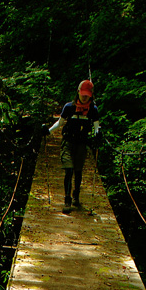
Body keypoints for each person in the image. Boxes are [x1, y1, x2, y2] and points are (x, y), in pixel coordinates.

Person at [43, 79, 101, 211]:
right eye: (83, 94)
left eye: (87, 95)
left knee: (78, 171)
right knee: (68, 170)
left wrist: (98, 134)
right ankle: (67, 200)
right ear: (78, 92)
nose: (85, 97)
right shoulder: (69, 107)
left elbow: (97, 126)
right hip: (68, 142)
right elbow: (60, 123)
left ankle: (76, 196)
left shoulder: (93, 109)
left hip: (82, 143)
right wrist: (48, 131)